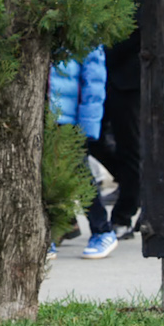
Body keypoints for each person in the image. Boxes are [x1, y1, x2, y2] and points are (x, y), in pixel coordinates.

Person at [86, 0, 145, 238]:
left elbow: (132, 23)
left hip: (124, 72)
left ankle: (124, 213)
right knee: (91, 141)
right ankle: (140, 186)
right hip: (98, 71)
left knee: (129, 144)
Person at [49, 44, 115, 257]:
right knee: (42, 177)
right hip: (38, 114)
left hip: (67, 117)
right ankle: (47, 235)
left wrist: (87, 125)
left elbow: (94, 81)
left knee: (80, 175)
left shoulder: (85, 36)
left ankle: (102, 230)